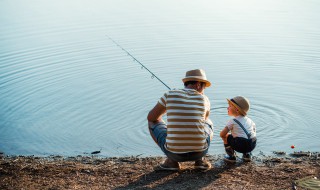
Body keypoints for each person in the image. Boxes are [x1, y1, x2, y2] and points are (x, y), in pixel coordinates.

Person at [147, 69, 214, 170]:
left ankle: (171, 161)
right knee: (208, 123)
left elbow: (151, 117)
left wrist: (168, 109)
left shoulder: (169, 94)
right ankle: (200, 161)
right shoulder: (205, 99)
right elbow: (203, 120)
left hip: (174, 154)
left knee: (152, 122)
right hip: (200, 151)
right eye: (204, 87)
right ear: (199, 85)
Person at [220, 96, 257, 162]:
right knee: (246, 136)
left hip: (240, 145)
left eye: (230, 106)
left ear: (237, 109)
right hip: (252, 144)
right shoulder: (250, 120)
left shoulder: (233, 121)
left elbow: (222, 134)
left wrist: (229, 137)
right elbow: (254, 131)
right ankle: (247, 155)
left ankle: (231, 156)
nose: (227, 108)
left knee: (226, 136)